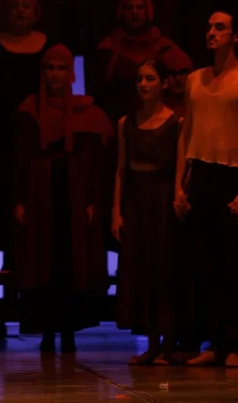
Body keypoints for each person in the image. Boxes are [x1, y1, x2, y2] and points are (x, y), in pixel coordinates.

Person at [12, 44, 113, 354]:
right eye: (50, 68)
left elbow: (95, 163)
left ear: (71, 73)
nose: (55, 74)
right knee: (43, 257)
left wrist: (93, 200)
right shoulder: (29, 110)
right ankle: (46, 331)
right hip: (40, 192)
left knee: (70, 260)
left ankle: (68, 332)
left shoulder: (88, 113)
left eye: (60, 68)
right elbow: (19, 159)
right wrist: (20, 199)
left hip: (73, 192)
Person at [174, 2, 238, 367]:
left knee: (232, 262)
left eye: (220, 27)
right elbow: (187, 134)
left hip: (232, 174)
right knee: (205, 261)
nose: (211, 32)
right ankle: (215, 342)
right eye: (209, 27)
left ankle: (235, 342)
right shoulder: (194, 80)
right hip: (201, 173)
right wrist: (180, 185)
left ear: (235, 36)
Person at [111, 58, 181, 365]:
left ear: (163, 83)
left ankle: (169, 344)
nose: (143, 84)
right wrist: (116, 211)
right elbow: (120, 170)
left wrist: (178, 197)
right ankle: (152, 343)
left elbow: (180, 165)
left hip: (162, 199)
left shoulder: (176, 122)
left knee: (165, 267)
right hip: (137, 201)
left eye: (150, 78)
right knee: (141, 269)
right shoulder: (126, 123)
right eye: (139, 78)